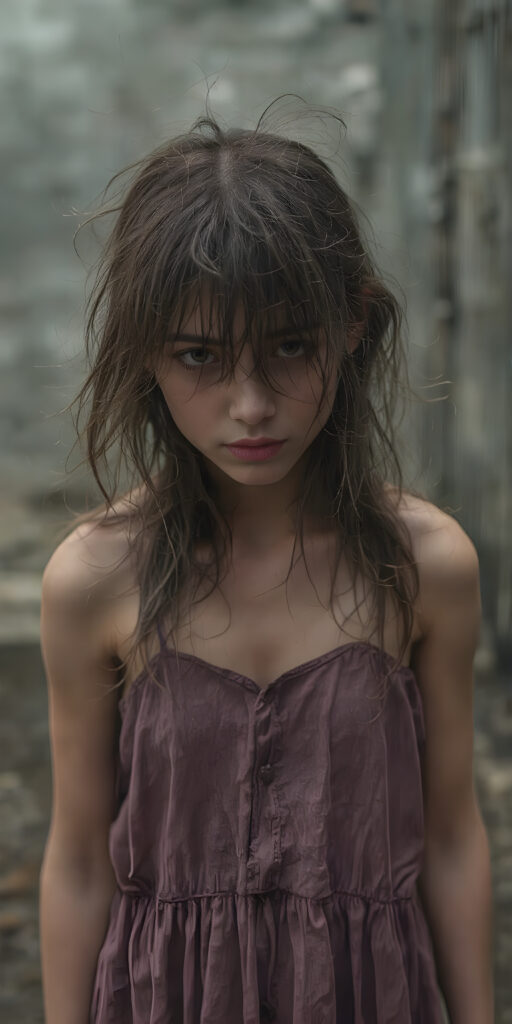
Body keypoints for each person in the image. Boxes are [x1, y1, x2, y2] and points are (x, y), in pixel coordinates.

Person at [38, 99, 494, 1024]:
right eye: (202, 355)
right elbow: (81, 859)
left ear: (354, 325)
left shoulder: (426, 565)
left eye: (290, 346)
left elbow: (450, 838)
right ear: (148, 355)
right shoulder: (96, 579)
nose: (251, 405)